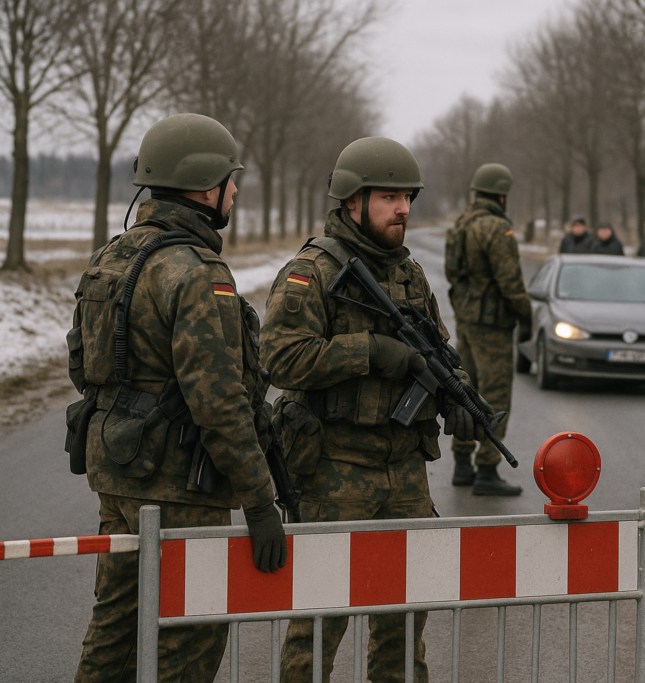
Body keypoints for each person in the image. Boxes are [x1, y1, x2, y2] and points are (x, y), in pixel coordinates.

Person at [71, 114, 286, 682]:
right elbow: (220, 402)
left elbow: (82, 366)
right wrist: (260, 502)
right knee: (187, 646)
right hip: (182, 490)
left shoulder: (109, 258)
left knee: (114, 631)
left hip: (116, 475)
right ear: (203, 185)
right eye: (229, 180)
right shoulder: (196, 271)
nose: (235, 191)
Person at [262, 137, 482, 682]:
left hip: (404, 470)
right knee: (319, 621)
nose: (404, 208)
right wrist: (371, 352)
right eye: (389, 197)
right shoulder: (311, 270)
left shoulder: (409, 273)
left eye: (408, 197)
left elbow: (436, 347)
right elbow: (281, 359)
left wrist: (456, 395)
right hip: (334, 469)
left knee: (406, 618)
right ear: (352, 201)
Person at [445, 162, 530, 495]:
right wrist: (526, 315)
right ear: (501, 194)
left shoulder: (461, 224)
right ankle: (488, 468)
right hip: (493, 324)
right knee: (495, 393)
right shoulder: (496, 228)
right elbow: (511, 282)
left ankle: (462, 464)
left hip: (466, 319)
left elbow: (453, 273)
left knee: (468, 389)